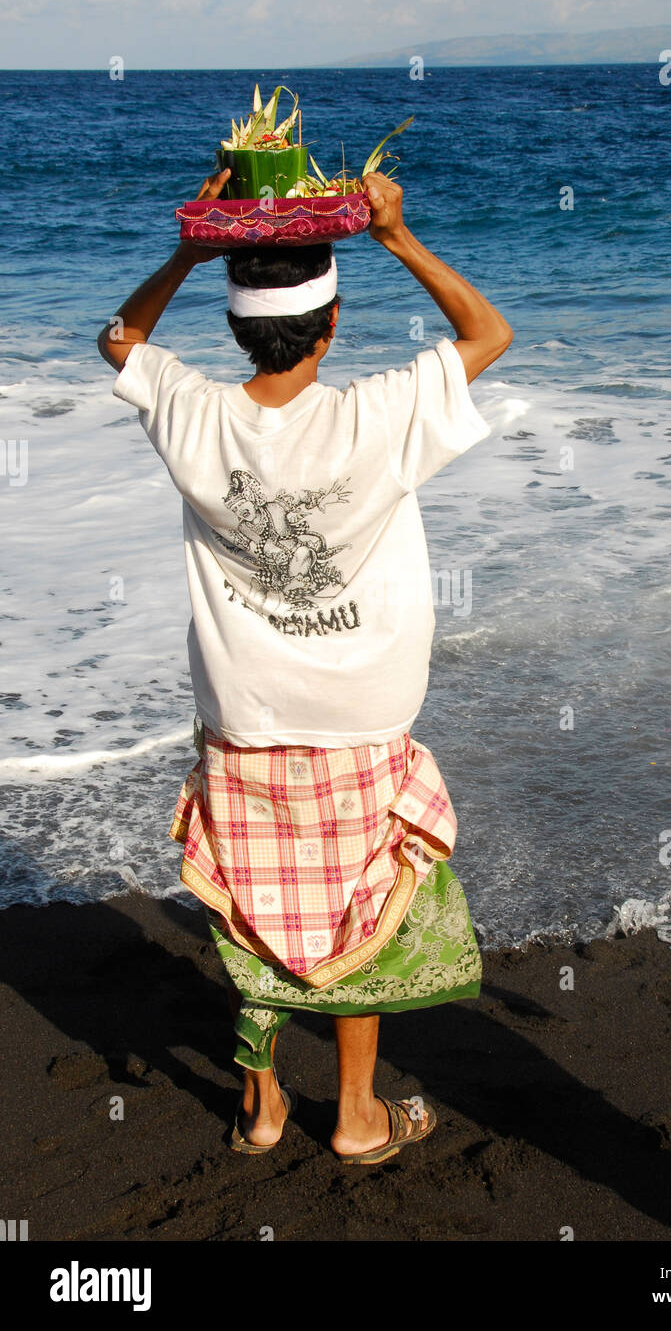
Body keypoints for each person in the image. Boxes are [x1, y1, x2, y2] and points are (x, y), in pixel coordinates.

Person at [97, 166, 513, 1164]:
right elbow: (488, 335)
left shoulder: (192, 413)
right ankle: (360, 1113)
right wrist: (397, 235)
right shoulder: (375, 415)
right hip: (362, 713)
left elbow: (119, 338)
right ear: (327, 329)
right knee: (349, 908)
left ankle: (264, 1103)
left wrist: (194, 249)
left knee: (251, 907)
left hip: (245, 711)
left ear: (241, 328)